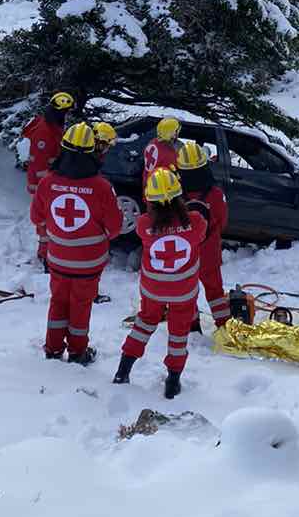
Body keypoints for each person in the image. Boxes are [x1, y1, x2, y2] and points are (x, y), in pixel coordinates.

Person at [30, 121, 121, 365]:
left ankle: (53, 348)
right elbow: (115, 227)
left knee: (57, 303)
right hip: (89, 264)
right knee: (80, 306)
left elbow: (36, 217)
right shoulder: (102, 187)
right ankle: (78, 352)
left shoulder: (47, 183)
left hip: (58, 258)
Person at [113, 168, 206, 398]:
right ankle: (172, 382)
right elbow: (202, 230)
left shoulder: (144, 223)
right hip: (183, 291)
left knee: (144, 323)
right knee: (178, 333)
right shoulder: (195, 222)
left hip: (153, 289)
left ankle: (123, 371)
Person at [175, 139, 230, 331]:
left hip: (184, 253)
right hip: (209, 252)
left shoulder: (175, 194)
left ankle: (192, 326)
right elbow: (222, 222)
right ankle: (224, 326)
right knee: (215, 291)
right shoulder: (215, 194)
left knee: (187, 291)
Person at [21, 92, 75, 196]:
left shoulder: (53, 125)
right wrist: (50, 183)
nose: (69, 115)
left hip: (49, 181)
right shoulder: (45, 131)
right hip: (43, 185)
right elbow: (39, 162)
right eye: (67, 112)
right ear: (60, 112)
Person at [142, 116, 182, 189]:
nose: (177, 133)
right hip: (161, 191)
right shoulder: (169, 153)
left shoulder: (152, 143)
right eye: (176, 131)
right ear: (172, 134)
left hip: (148, 186)